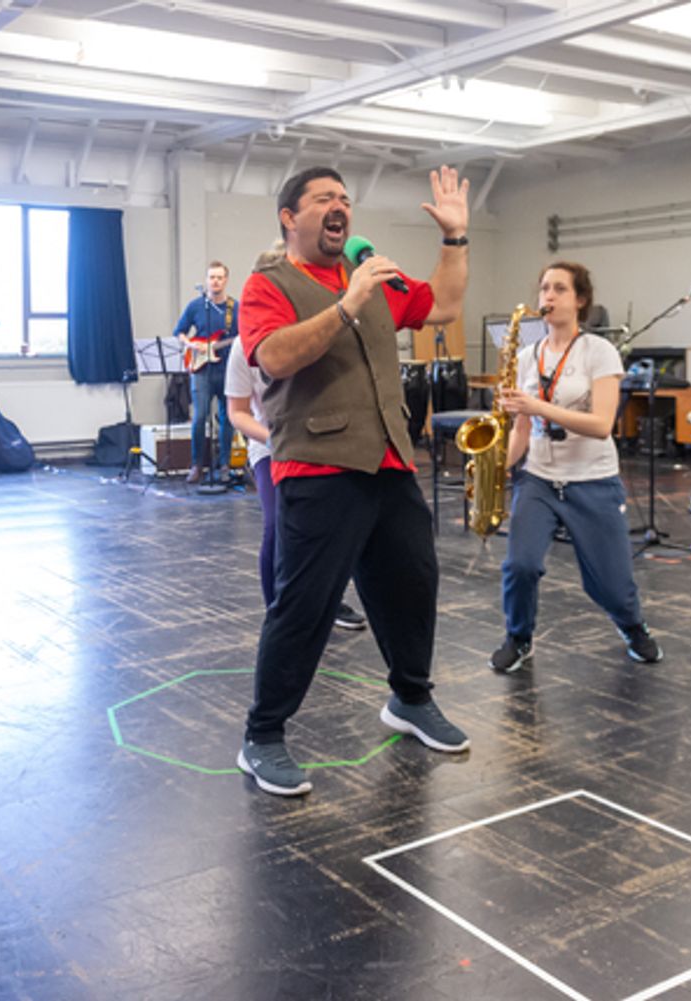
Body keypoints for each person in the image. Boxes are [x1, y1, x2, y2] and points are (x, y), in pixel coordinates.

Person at [235, 165, 471, 798]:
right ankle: (262, 737)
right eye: (323, 199)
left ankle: (411, 700)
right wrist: (346, 306)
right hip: (316, 466)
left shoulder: (371, 276)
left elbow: (445, 306)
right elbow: (275, 357)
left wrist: (454, 240)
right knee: (305, 606)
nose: (340, 207)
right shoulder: (268, 284)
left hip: (390, 462)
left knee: (412, 584)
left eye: (345, 199)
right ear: (290, 217)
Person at [490, 261, 663, 675]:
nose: (547, 296)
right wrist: (494, 469)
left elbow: (602, 425)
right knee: (520, 566)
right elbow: (521, 430)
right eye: (544, 288)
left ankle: (631, 625)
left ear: (580, 300)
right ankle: (519, 636)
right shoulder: (526, 356)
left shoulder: (598, 352)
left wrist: (537, 406)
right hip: (539, 479)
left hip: (593, 480)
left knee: (610, 585)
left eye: (559, 289)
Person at [225, 322, 366, 631]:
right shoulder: (242, 347)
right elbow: (237, 413)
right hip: (270, 448)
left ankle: (329, 602)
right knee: (277, 524)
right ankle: (277, 611)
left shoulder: (314, 336)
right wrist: (272, 439)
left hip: (322, 444)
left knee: (333, 526)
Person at [173, 261, 239, 484]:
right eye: (212, 277)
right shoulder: (196, 306)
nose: (215, 281)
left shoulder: (234, 308)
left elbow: (242, 336)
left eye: (220, 277)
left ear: (226, 280)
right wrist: (191, 345)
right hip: (201, 369)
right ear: (206, 280)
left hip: (227, 368)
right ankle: (196, 465)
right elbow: (179, 332)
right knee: (199, 416)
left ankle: (224, 465)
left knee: (227, 418)